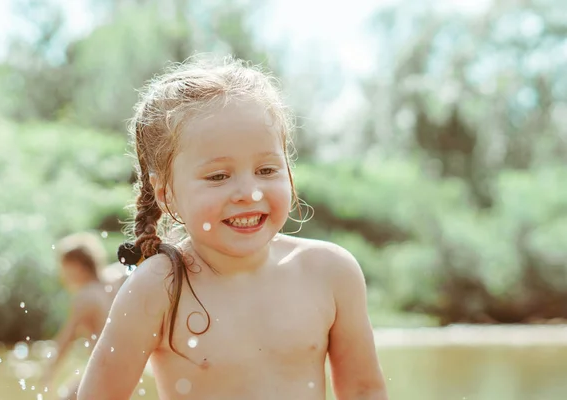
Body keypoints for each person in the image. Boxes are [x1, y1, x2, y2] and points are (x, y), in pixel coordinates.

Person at [78, 55, 388, 400]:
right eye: (218, 176)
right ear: (167, 195)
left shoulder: (330, 273)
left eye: (267, 170)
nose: (248, 193)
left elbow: (364, 390)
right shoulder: (158, 288)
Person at [41, 232, 122, 400]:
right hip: (122, 366)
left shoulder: (85, 296)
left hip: (102, 369)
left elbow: (67, 338)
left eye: (64, 266)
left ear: (77, 266)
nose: (62, 274)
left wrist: (49, 371)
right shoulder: (110, 282)